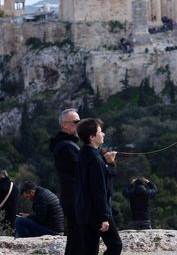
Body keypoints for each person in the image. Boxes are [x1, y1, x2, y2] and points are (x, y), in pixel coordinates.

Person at [75, 118, 122, 255]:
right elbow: (100, 190)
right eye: (100, 132)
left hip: (83, 211)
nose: (103, 134)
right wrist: (104, 217)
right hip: (97, 213)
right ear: (92, 137)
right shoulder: (96, 160)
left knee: (90, 250)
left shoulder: (82, 154)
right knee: (115, 246)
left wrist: (109, 163)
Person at [49, 108, 83, 255]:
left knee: (75, 237)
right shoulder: (67, 146)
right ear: (65, 125)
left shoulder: (66, 144)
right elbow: (80, 171)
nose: (79, 124)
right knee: (79, 237)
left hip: (70, 195)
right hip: (74, 196)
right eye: (76, 122)